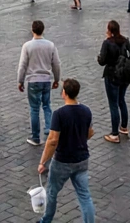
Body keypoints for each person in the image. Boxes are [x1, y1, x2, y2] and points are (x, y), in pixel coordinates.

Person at [36, 78, 96, 223]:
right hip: (82, 160)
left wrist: (43, 162)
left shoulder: (59, 114)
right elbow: (90, 133)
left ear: (65, 93)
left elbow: (52, 140)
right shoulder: (86, 111)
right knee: (84, 196)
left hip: (62, 161)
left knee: (52, 192)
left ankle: (46, 220)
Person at [18, 19, 62, 145]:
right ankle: (49, 130)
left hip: (33, 80)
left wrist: (20, 81)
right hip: (46, 80)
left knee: (34, 109)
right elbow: (56, 64)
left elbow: (22, 65)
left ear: (32, 30)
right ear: (43, 30)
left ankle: (35, 137)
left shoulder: (27, 46)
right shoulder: (50, 45)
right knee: (47, 105)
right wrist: (56, 79)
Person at [96, 20, 130, 143]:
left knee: (113, 104)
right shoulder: (125, 40)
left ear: (109, 30)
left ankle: (114, 134)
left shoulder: (107, 43)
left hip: (112, 75)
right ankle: (124, 127)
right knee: (121, 100)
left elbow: (102, 61)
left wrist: (98, 57)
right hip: (125, 74)